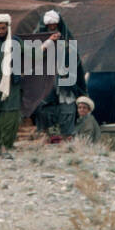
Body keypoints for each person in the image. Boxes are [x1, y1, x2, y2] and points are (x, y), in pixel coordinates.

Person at [33, 9, 79, 140]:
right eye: (49, 26)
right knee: (43, 105)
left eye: (54, 25)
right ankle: (45, 133)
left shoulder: (65, 36)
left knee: (67, 104)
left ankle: (67, 134)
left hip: (63, 76)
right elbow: (33, 55)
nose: (52, 28)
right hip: (44, 76)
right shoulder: (39, 37)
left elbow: (73, 55)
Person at [0, 13, 23, 159]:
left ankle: (5, 147)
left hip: (12, 84)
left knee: (9, 117)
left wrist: (48, 44)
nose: (1, 31)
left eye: (3, 28)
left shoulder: (15, 41)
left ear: (8, 27)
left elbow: (32, 52)